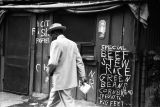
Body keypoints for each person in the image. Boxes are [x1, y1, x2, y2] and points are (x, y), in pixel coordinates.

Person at [46, 23, 87, 107]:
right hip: (69, 80)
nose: (51, 36)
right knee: (52, 101)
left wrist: (48, 71)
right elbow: (79, 61)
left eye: (51, 34)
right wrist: (83, 76)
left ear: (55, 33)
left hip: (60, 80)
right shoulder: (73, 44)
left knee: (68, 102)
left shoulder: (56, 43)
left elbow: (53, 62)